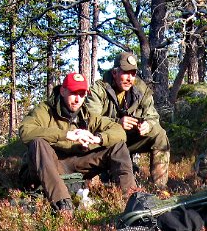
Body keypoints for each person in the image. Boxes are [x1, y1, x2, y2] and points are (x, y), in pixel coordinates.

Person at [18, 72, 136, 213]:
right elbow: (25, 131)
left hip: (75, 164)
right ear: (63, 90)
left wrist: (98, 138)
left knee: (117, 146)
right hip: (46, 165)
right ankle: (63, 205)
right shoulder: (45, 110)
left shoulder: (86, 115)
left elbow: (119, 131)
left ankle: (132, 200)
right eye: (73, 93)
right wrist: (67, 135)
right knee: (38, 143)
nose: (77, 99)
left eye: (81, 94)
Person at [84, 52, 171, 189]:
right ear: (114, 72)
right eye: (125, 73)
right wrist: (117, 123)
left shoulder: (141, 89)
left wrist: (148, 124)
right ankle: (99, 185)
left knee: (160, 135)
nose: (129, 78)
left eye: (133, 73)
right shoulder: (99, 89)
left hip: (130, 139)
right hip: (107, 142)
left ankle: (159, 187)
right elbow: (91, 120)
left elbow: (153, 115)